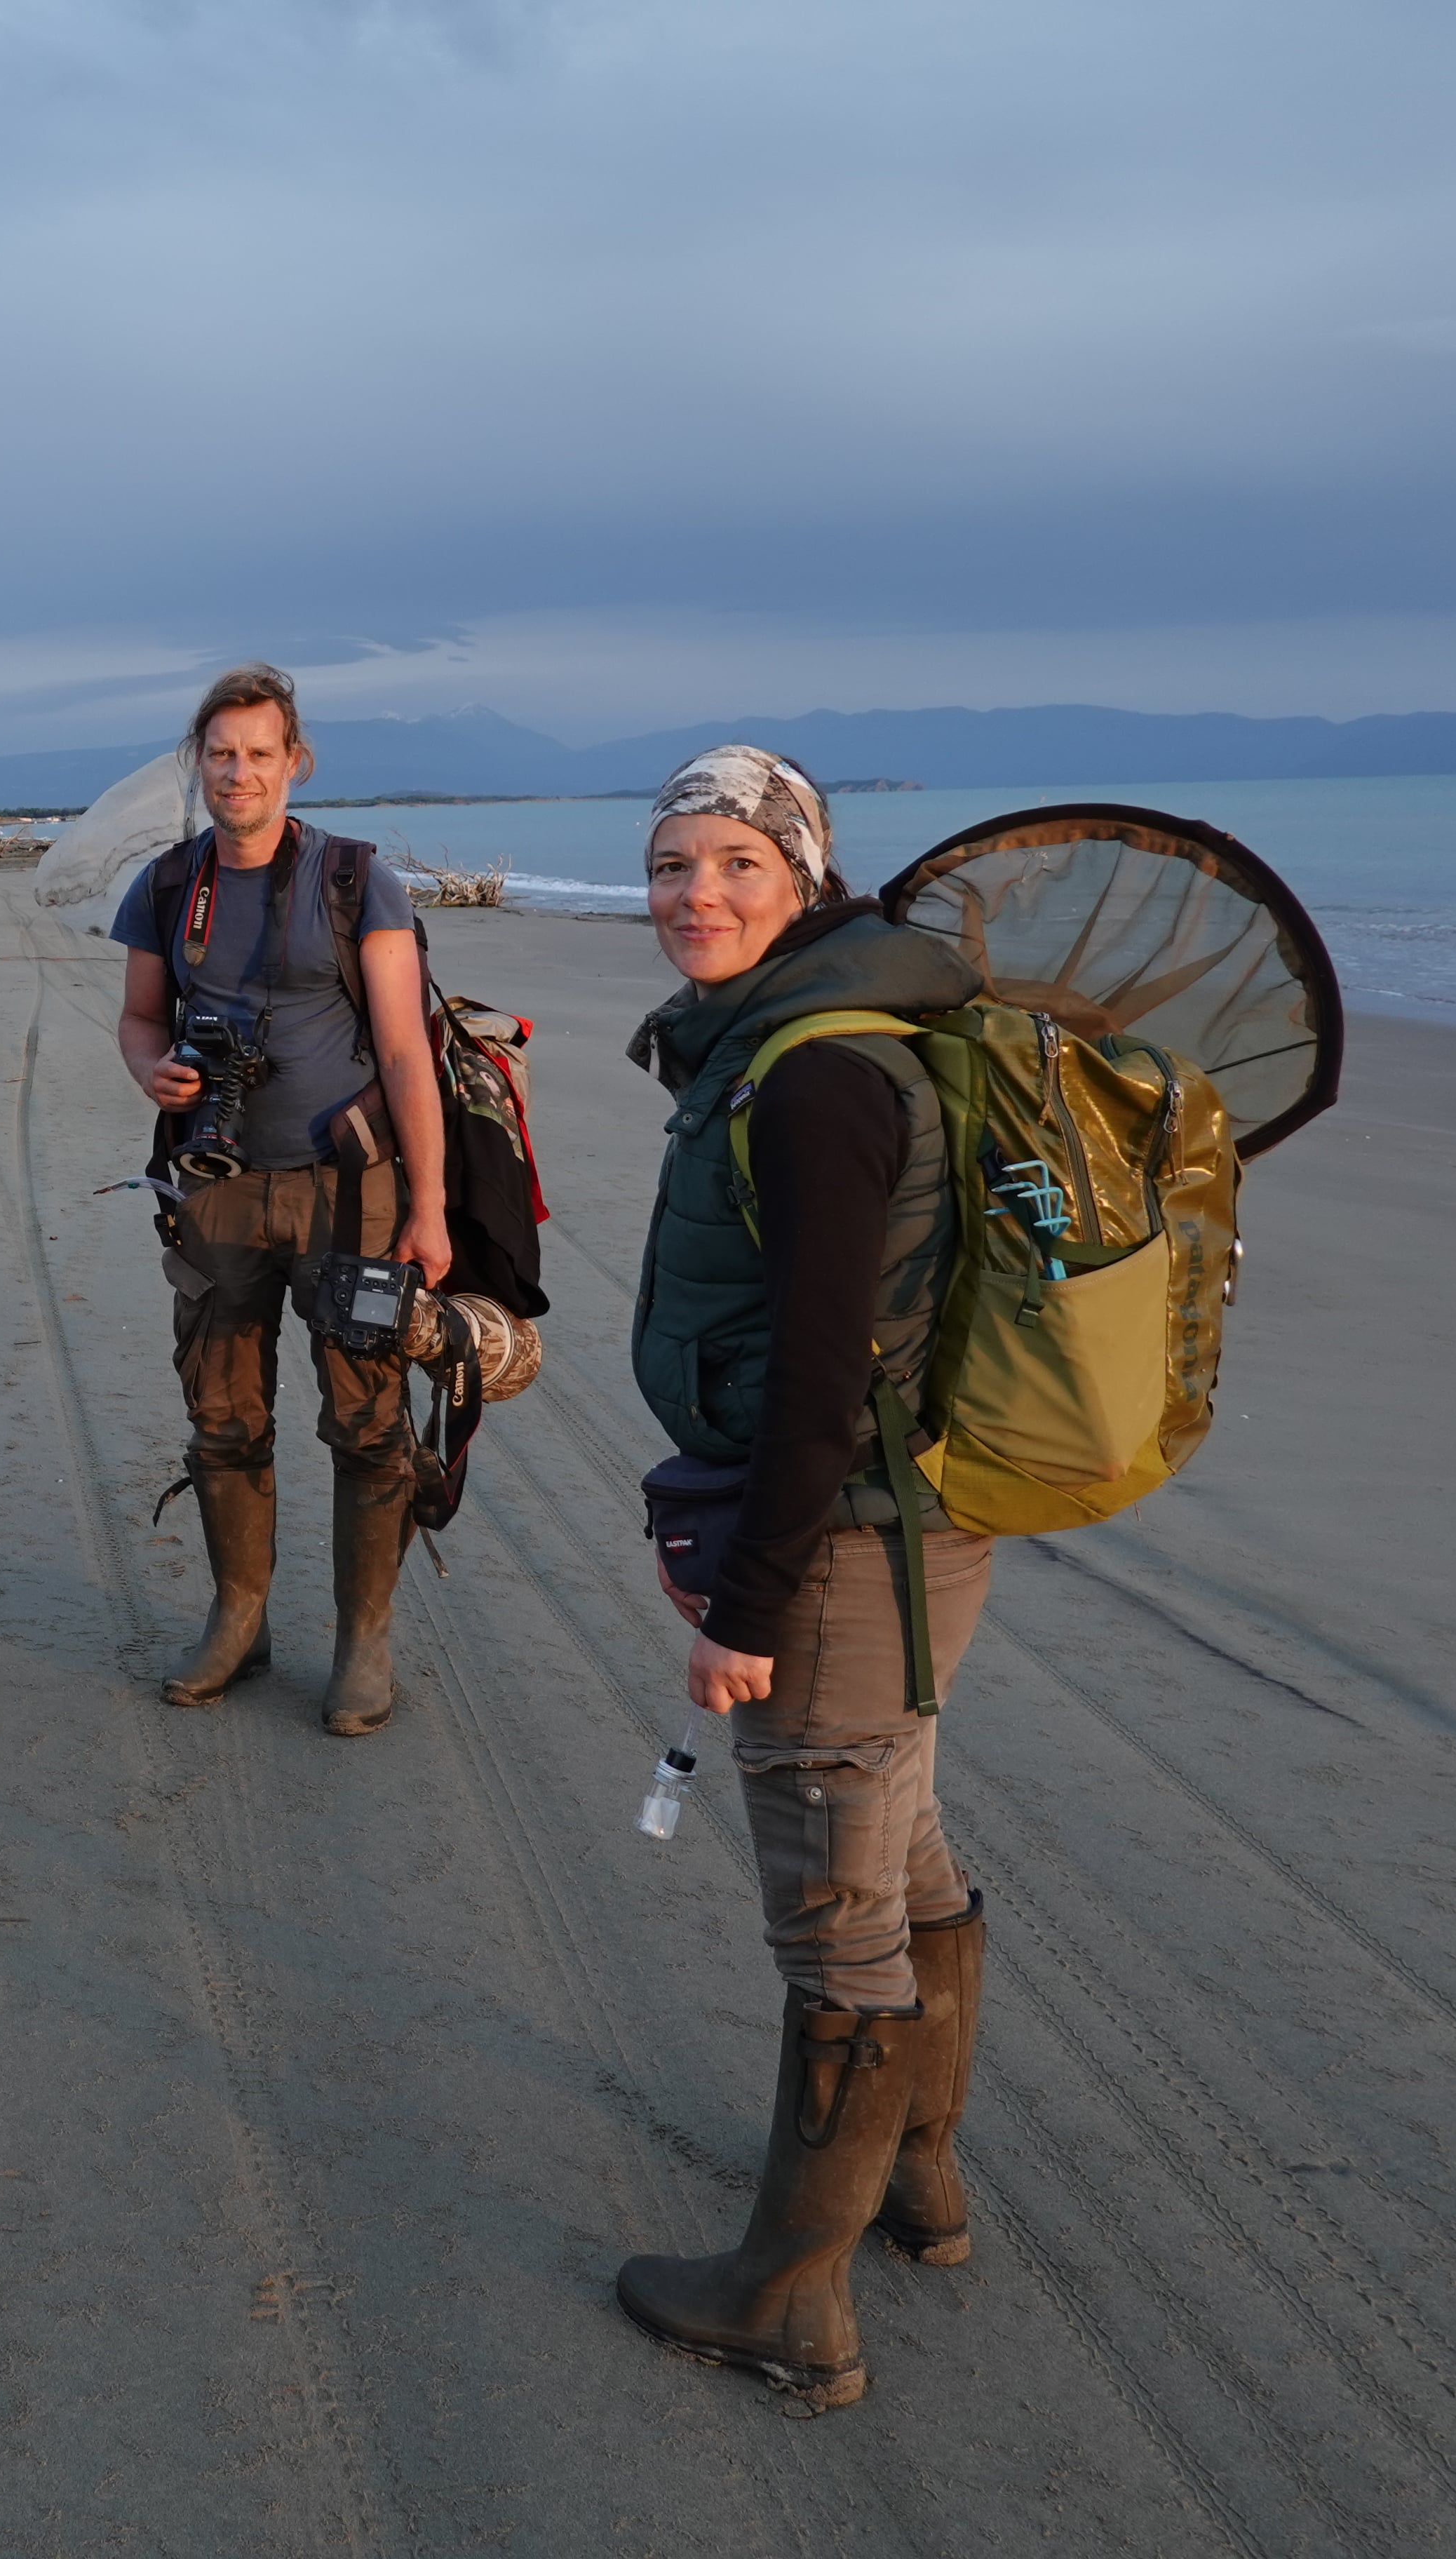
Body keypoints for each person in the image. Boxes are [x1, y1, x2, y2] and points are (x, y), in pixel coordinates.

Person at [610, 744, 993, 2410]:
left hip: (838, 1544)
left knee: (835, 1920)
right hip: (906, 1531)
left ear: (804, 877)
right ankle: (918, 2178)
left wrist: (745, 1609)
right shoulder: (816, 1034)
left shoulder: (817, 1075)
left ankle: (787, 2302)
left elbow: (822, 1377)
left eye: (734, 865)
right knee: (897, 1843)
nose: (692, 894)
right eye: (668, 864)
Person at [112, 664, 452, 1738]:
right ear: (198, 763)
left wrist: (431, 1206)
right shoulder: (169, 885)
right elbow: (139, 1018)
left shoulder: (354, 880)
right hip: (215, 1188)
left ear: (296, 762)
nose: (239, 773)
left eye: (260, 753)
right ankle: (239, 1618)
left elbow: (406, 1051)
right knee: (221, 1412)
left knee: (367, 1417)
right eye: (221, 754)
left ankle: (363, 1642)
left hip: (349, 1191)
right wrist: (155, 1073)